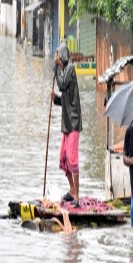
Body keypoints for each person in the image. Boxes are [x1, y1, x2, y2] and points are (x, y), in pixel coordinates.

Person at [52, 42, 82, 207]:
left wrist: (56, 68)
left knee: (72, 159)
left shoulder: (69, 68)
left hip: (74, 122)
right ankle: (71, 190)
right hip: (66, 123)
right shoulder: (65, 71)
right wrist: (56, 99)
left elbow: (62, 85)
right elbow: (65, 98)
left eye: (58, 57)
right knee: (63, 159)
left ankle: (77, 196)